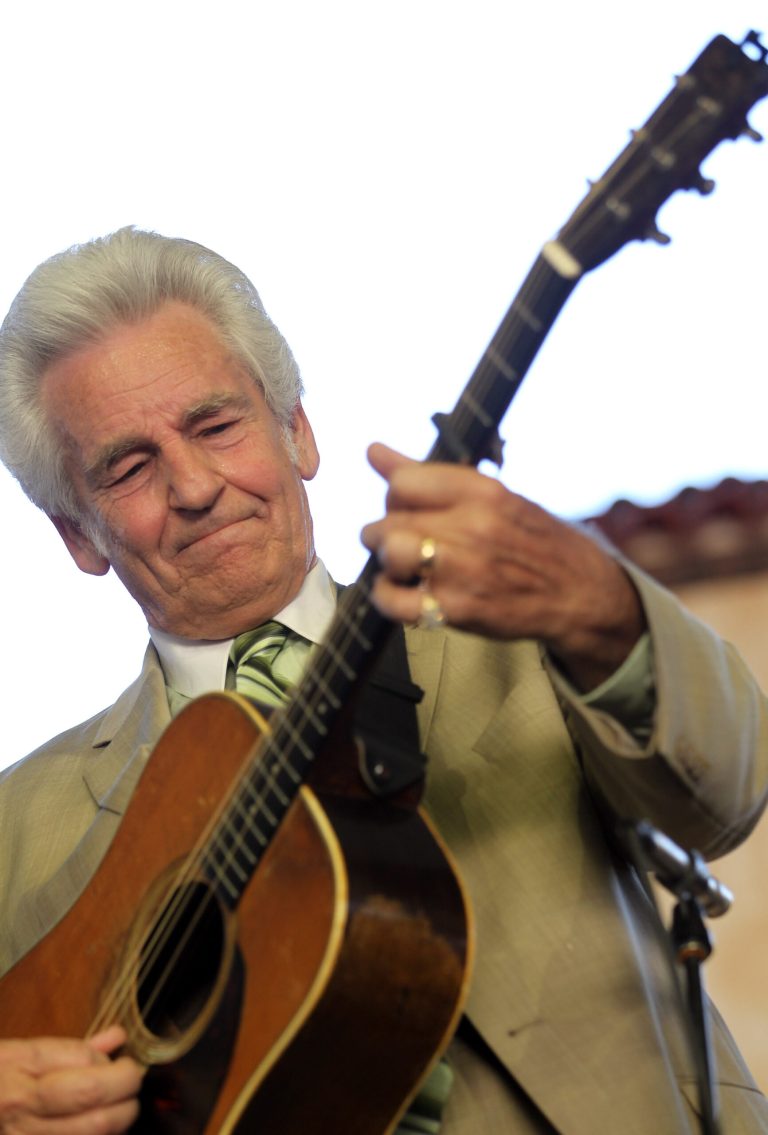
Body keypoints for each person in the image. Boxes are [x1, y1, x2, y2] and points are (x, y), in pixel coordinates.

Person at [0, 226, 766, 1135]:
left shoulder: (522, 632)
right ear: (78, 534)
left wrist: (605, 610)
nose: (196, 486)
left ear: (298, 432)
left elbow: (727, 791)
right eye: (130, 466)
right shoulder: (19, 830)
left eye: (216, 425)